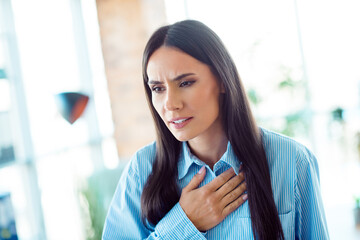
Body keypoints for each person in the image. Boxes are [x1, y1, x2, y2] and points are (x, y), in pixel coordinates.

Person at [102, 20, 329, 240]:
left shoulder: (292, 161)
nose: (170, 104)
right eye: (158, 88)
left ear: (222, 79)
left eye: (185, 83)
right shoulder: (141, 170)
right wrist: (183, 223)